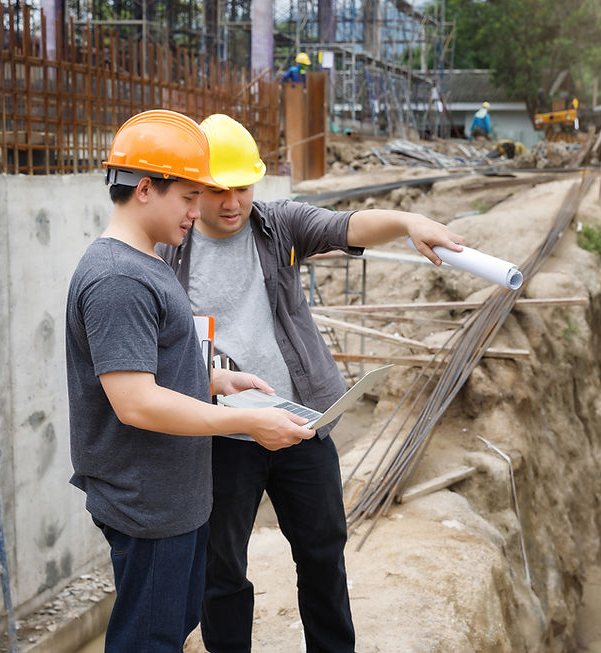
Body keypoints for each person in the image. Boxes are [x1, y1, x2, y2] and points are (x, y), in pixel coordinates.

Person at [156, 114, 465, 653]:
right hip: (223, 435)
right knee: (221, 568)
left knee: (323, 551)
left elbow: (345, 226)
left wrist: (407, 220)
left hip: (301, 422)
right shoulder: (167, 253)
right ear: (192, 190)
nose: (232, 203)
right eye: (216, 191)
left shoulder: (277, 226)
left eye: (243, 189)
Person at [65, 109, 315, 652]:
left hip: (174, 499)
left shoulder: (148, 264)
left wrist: (211, 383)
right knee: (148, 640)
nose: (196, 210)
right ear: (147, 189)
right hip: (149, 504)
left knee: (170, 629)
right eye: (187, 197)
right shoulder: (118, 280)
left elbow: (151, 372)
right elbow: (135, 403)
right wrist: (248, 420)